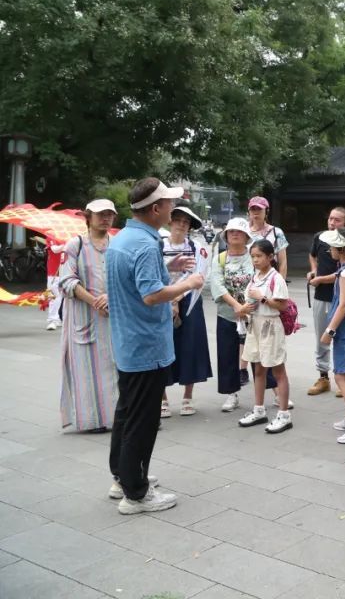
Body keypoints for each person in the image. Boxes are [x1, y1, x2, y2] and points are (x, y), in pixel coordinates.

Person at [106, 177, 202, 514]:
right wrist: (188, 283)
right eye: (170, 204)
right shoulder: (146, 244)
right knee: (143, 421)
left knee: (126, 413)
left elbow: (134, 281)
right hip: (146, 345)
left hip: (127, 342)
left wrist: (166, 267)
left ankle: (123, 477)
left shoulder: (123, 238)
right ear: (156, 208)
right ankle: (136, 493)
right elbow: (151, 295)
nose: (173, 209)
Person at [58, 198, 119, 432]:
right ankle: (91, 421)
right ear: (88, 217)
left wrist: (111, 296)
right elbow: (66, 281)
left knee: (115, 369)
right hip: (84, 317)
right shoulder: (75, 245)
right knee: (86, 371)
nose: (106, 218)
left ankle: (117, 418)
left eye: (109, 214)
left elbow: (126, 278)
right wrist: (94, 301)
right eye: (100, 214)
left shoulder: (117, 245)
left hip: (114, 317)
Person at [160, 205, 212, 418]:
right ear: (170, 221)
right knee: (160, 348)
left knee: (191, 347)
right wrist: (169, 298)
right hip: (161, 298)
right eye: (178, 220)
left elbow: (200, 275)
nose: (181, 225)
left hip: (189, 299)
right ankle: (162, 398)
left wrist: (178, 297)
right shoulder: (158, 245)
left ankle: (187, 397)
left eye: (186, 222)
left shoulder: (197, 248)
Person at [236, 239, 292, 434]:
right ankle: (259, 410)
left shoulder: (276, 278)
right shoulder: (256, 276)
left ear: (270, 257)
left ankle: (284, 414)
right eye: (253, 256)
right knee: (258, 370)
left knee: (278, 371)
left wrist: (262, 298)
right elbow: (249, 300)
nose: (255, 260)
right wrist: (244, 308)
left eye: (259, 256)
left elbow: (282, 305)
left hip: (270, 326)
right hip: (255, 325)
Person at [318, 227, 345, 443]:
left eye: (332, 247)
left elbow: (344, 304)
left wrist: (330, 330)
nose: (329, 250)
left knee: (342, 376)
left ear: (342, 248)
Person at [209, 218, 254, 412]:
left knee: (261, 354)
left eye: (239, 231)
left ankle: (273, 390)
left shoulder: (253, 256)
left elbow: (261, 279)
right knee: (227, 355)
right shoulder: (219, 259)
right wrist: (236, 306)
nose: (234, 234)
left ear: (246, 236)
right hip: (227, 314)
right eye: (231, 231)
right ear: (226, 236)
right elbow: (217, 285)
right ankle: (231, 394)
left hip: (253, 313)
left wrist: (247, 306)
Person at [307, 206, 345, 396]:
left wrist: (320, 279)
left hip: (343, 298)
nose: (332, 223)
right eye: (330, 219)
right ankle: (323, 377)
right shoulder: (319, 237)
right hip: (321, 296)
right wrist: (314, 270)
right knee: (321, 338)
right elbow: (312, 254)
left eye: (337, 220)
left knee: (344, 338)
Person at [247, 196, 289, 279]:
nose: (256, 212)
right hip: (246, 279)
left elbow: (282, 262)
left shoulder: (276, 232)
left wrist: (280, 283)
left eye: (259, 209)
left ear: (266, 211)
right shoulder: (243, 232)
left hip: (269, 279)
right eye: (253, 209)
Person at [45, 234, 65, 330]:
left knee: (63, 297)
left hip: (65, 271)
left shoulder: (66, 236)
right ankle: (52, 320)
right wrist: (66, 244)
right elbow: (55, 249)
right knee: (53, 296)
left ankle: (58, 319)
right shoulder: (50, 236)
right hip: (53, 273)